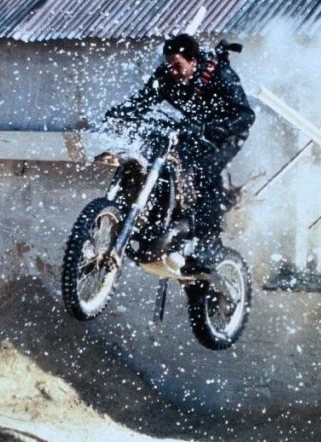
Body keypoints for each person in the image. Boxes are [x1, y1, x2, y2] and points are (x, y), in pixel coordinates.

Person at [104, 33, 255, 272]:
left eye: (178, 66)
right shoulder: (165, 77)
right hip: (193, 129)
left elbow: (246, 115)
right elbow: (142, 101)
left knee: (204, 171)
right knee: (162, 159)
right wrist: (120, 114)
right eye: (169, 65)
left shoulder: (220, 74)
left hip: (226, 133)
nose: (173, 72)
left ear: (193, 61)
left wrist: (210, 129)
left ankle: (208, 242)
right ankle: (161, 222)